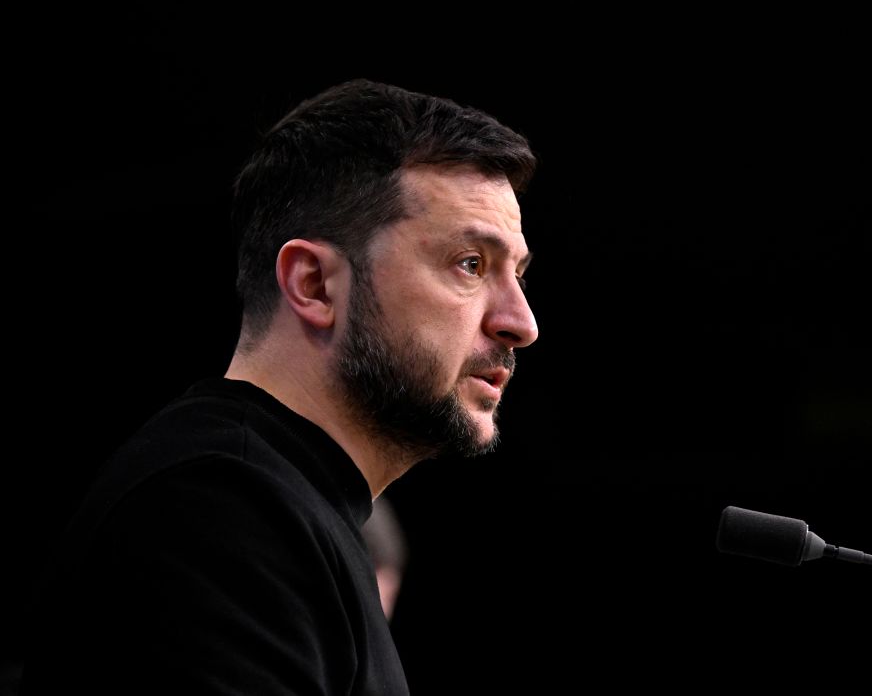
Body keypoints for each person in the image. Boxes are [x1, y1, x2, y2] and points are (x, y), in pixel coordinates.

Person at [18, 78, 540, 695]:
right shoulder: (220, 508)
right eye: (471, 264)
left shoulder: (289, 509)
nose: (522, 323)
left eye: (519, 274)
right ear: (315, 285)